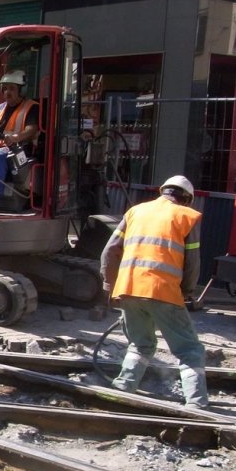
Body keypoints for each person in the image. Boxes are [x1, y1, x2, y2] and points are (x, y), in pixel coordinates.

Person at [100, 175, 208, 409]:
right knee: (189, 349)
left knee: (140, 345)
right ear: (187, 199)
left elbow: (109, 251)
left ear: (164, 191)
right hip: (164, 291)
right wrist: (187, 292)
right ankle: (197, 403)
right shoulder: (185, 217)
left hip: (128, 288)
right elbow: (192, 263)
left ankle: (122, 388)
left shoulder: (135, 212)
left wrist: (110, 285)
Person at [0, 70, 39, 213]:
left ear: (21, 90)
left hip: (18, 150)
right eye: (5, 88)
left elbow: (32, 129)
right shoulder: (0, 108)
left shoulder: (31, 107)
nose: (7, 92)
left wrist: (15, 137)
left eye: (11, 88)